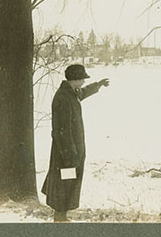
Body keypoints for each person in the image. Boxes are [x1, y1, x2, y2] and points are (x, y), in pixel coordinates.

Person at [41, 64, 110, 222]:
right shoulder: (63, 98)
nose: (84, 82)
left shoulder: (70, 93)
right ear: (75, 79)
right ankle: (59, 218)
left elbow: (83, 93)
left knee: (67, 182)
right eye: (83, 79)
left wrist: (97, 85)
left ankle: (61, 216)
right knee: (64, 183)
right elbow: (62, 131)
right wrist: (70, 154)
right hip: (66, 153)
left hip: (69, 151)